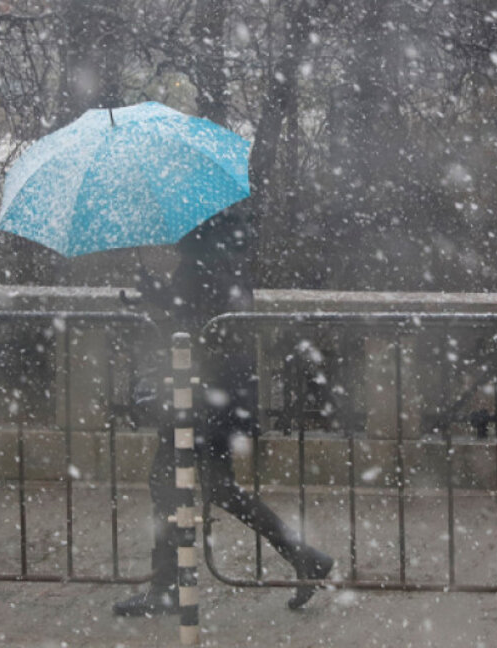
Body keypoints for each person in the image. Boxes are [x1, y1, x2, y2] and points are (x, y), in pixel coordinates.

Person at [114, 203, 334, 617]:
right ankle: (304, 556)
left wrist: (160, 298)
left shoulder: (199, 261)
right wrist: (159, 292)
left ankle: (166, 587)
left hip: (201, 395)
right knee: (218, 487)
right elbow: (206, 314)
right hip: (223, 395)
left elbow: (197, 326)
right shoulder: (225, 254)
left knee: (166, 481)